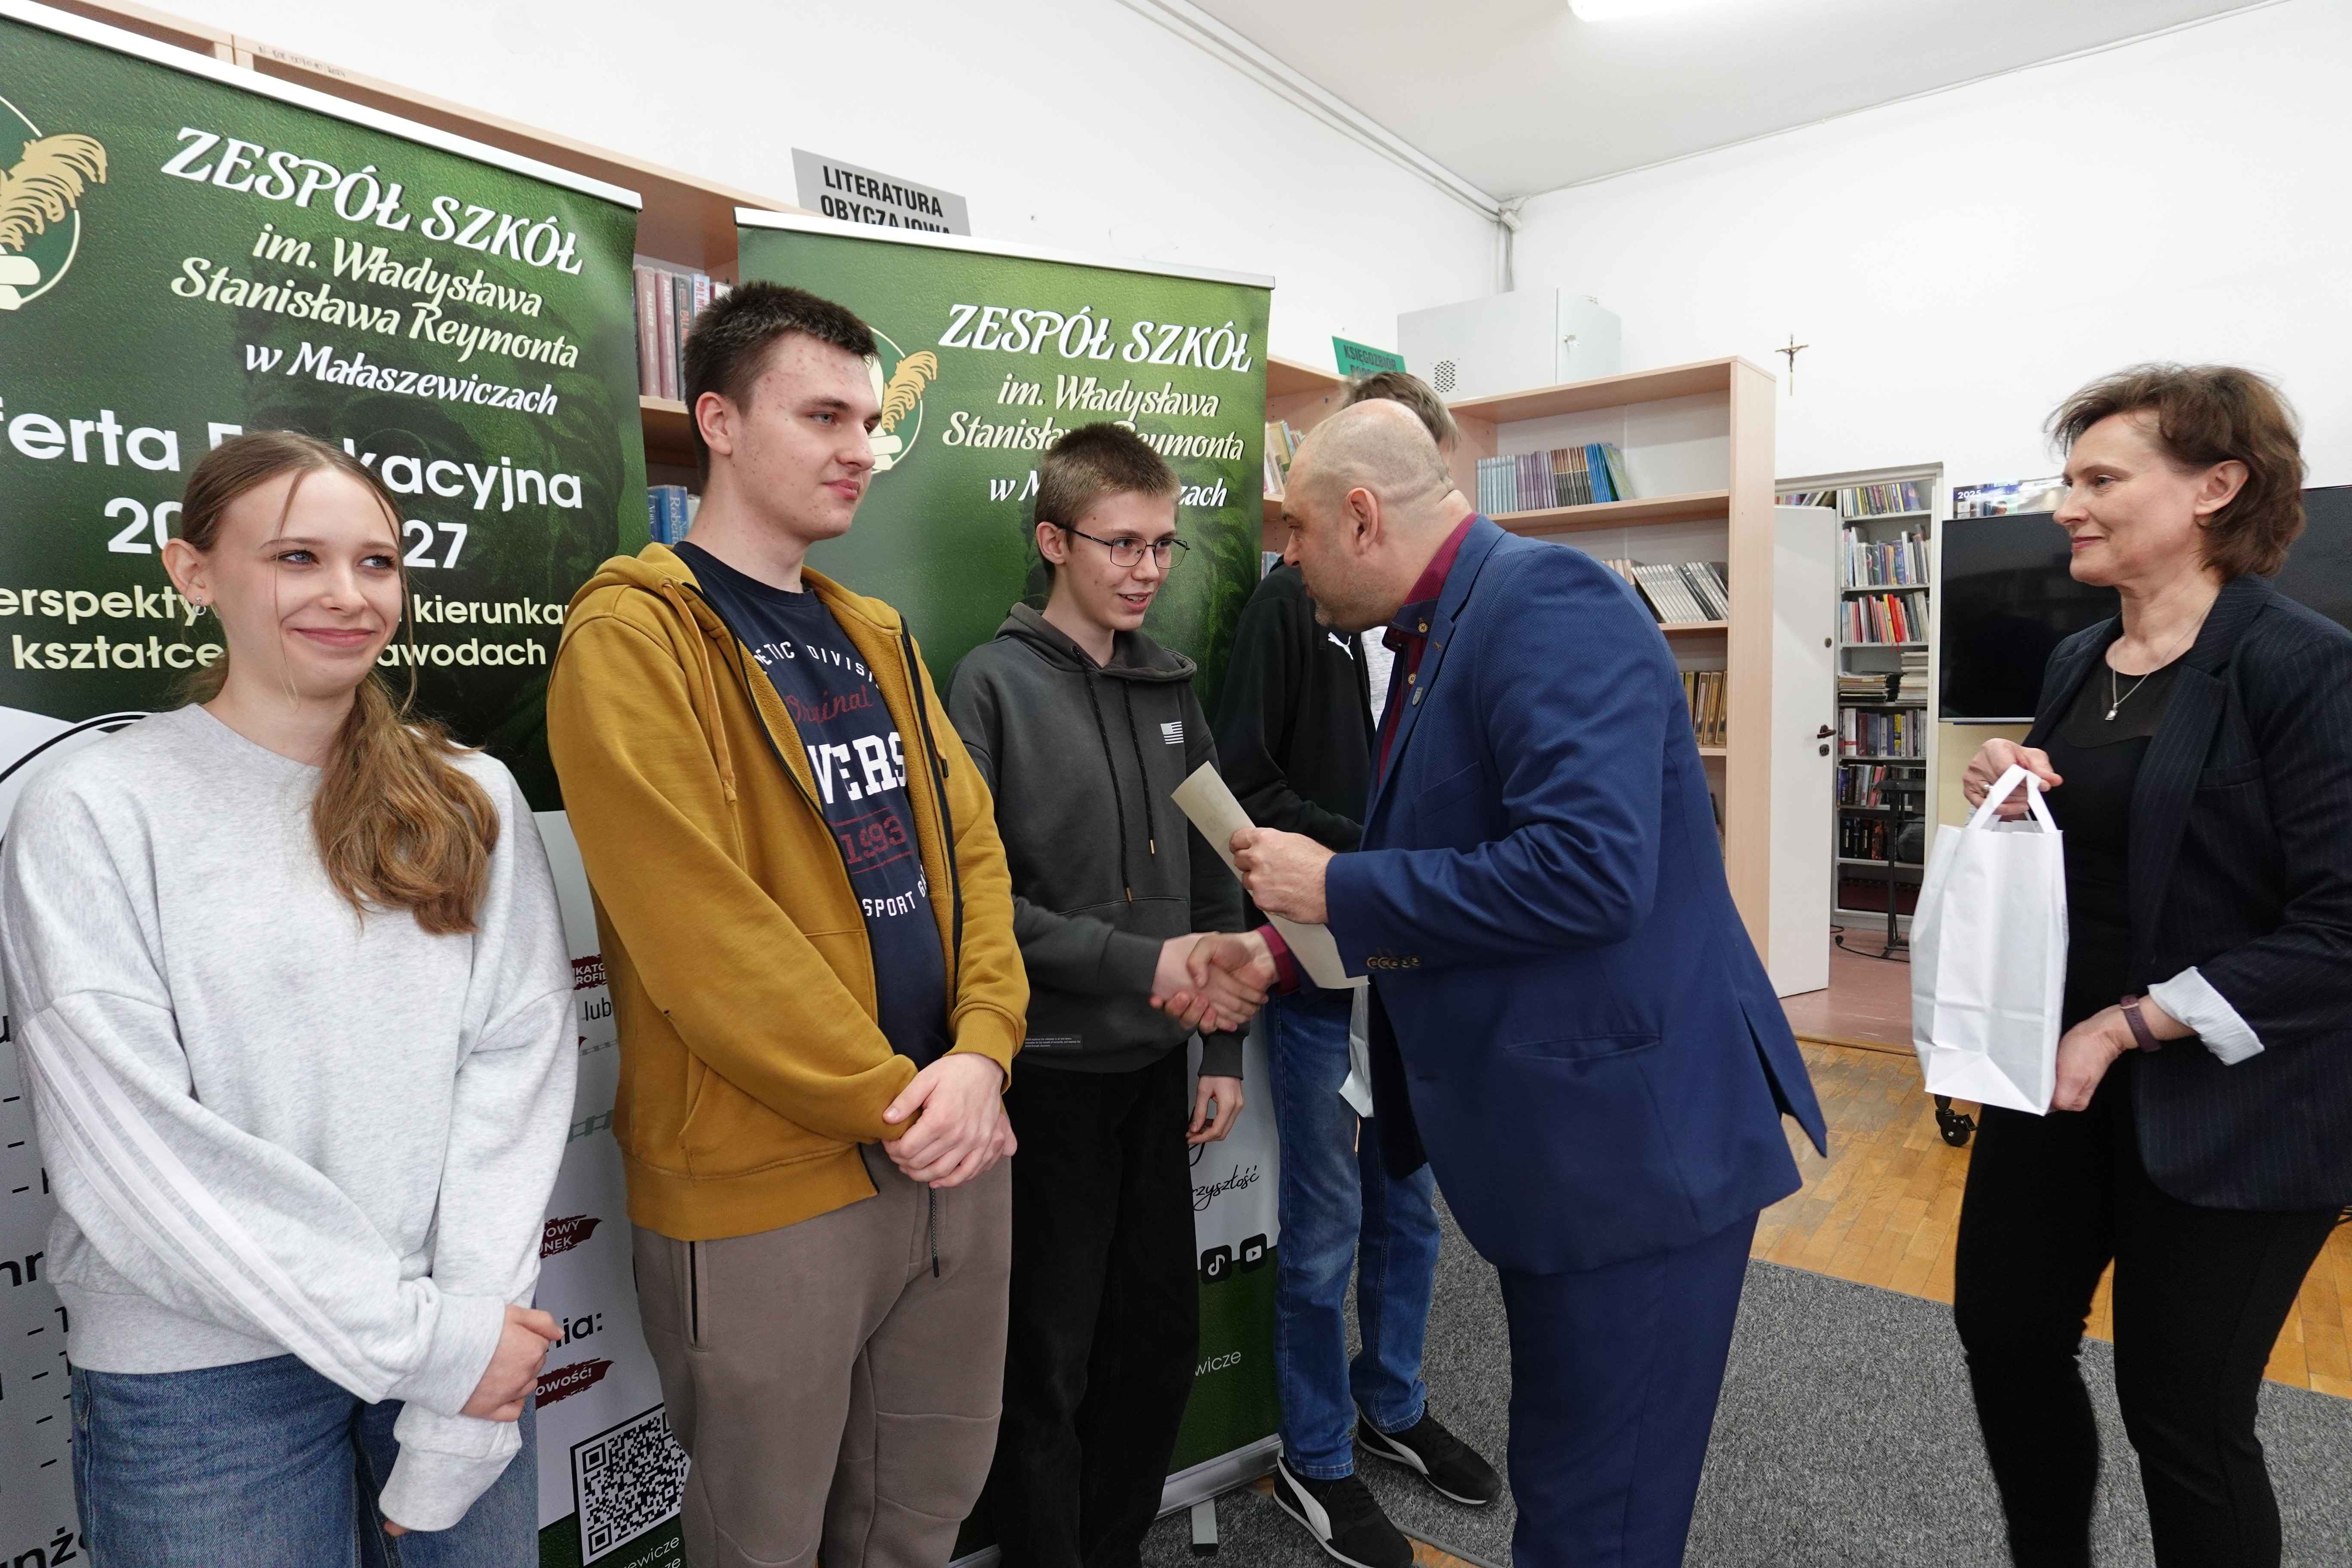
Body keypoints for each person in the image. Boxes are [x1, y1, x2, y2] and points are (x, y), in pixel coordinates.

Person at [1232, 400, 1826, 1568]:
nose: (1287, 556)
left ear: (1362, 516)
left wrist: (1340, 885)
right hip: (1574, 1147)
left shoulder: (1544, 604)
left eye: (1296, 527)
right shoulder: (1451, 622)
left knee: (1598, 1513)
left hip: (1634, 1153)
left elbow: (1588, 875)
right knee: (1569, 1477)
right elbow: (1474, 867)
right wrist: (1277, 950)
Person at [0, 431, 576, 1563]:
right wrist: (429, 1344)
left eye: (377, 563)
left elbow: (516, 1073)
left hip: (457, 1346)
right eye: (297, 558)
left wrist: (458, 1367)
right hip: (203, 1384)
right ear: (193, 571)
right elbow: (137, 1151)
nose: (348, 595)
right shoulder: (96, 803)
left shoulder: (471, 795)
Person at [545, 283, 1027, 1568]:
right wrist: (899, 1101)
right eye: (823, 416)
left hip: (956, 1144)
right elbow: (700, 930)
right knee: (761, 1537)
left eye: (867, 421)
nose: (860, 447)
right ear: (718, 421)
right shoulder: (632, 636)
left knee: (919, 1511)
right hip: (776, 1179)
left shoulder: (876, 632)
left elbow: (972, 856)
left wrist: (983, 1054)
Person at [1954, 364, 2352, 1568]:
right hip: (2055, 1078)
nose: (2064, 507)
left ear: (2216, 488)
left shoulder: (2303, 665)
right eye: (2066, 480)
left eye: (2099, 480)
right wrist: (2008, 789)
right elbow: (2105, 843)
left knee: (2183, 1417)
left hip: (2240, 1104)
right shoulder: (2078, 660)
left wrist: (2132, 1023)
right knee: (2007, 1339)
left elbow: (2340, 925)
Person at [948, 421, 1274, 1567]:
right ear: (1054, 541)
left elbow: (1219, 872)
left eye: (1163, 545)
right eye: (1121, 543)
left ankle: (1113, 1546)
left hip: (1156, 1074)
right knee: (1048, 1359)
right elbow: (980, 910)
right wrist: (1144, 965)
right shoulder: (989, 686)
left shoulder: (1171, 686)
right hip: (1045, 1084)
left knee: (1159, 1342)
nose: (1147, 569)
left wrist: (1222, 1050)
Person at [1216, 375, 1498, 1568]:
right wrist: (1372, 860)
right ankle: (1316, 1456)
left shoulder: (1449, 621)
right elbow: (1243, 778)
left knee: (1409, 1212)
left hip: (1414, 965)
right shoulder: (1292, 606)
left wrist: (1408, 875)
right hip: (1324, 965)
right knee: (1324, 1228)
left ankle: (1392, 1402)